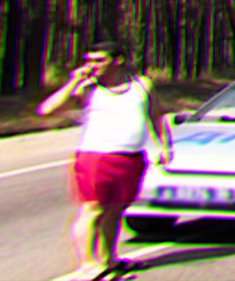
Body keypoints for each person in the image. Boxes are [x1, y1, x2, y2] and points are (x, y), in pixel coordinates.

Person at [37, 41, 172, 281]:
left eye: (99, 60)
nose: (92, 65)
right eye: (89, 60)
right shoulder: (87, 89)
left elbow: (156, 115)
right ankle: (87, 266)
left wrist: (163, 144)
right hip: (95, 157)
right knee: (92, 210)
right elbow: (47, 110)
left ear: (117, 60)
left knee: (115, 210)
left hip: (130, 157)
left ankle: (109, 259)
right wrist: (74, 82)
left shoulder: (141, 85)